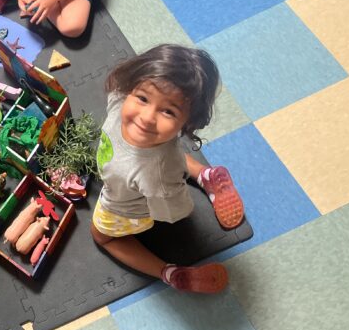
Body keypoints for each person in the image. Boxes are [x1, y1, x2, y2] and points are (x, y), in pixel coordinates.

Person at [91, 44, 245, 294]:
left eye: (168, 111)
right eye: (142, 98)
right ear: (130, 87)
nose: (147, 117)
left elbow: (173, 213)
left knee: (101, 236)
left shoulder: (157, 178)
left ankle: (170, 273)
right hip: (153, 164)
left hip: (124, 203)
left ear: (187, 124)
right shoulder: (119, 100)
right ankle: (205, 174)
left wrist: (166, 186)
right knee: (160, 149)